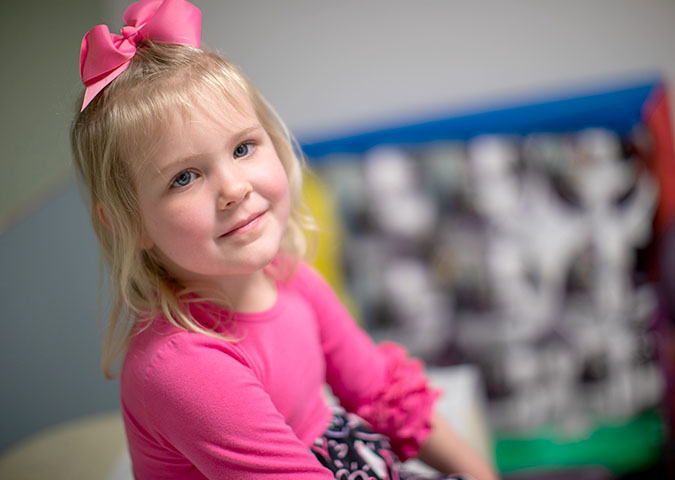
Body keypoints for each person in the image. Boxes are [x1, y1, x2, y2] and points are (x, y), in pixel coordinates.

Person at [71, 1, 499, 479]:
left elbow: (381, 392)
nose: (234, 189)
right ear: (131, 223)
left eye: (242, 148)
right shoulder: (184, 368)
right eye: (185, 177)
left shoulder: (289, 278)